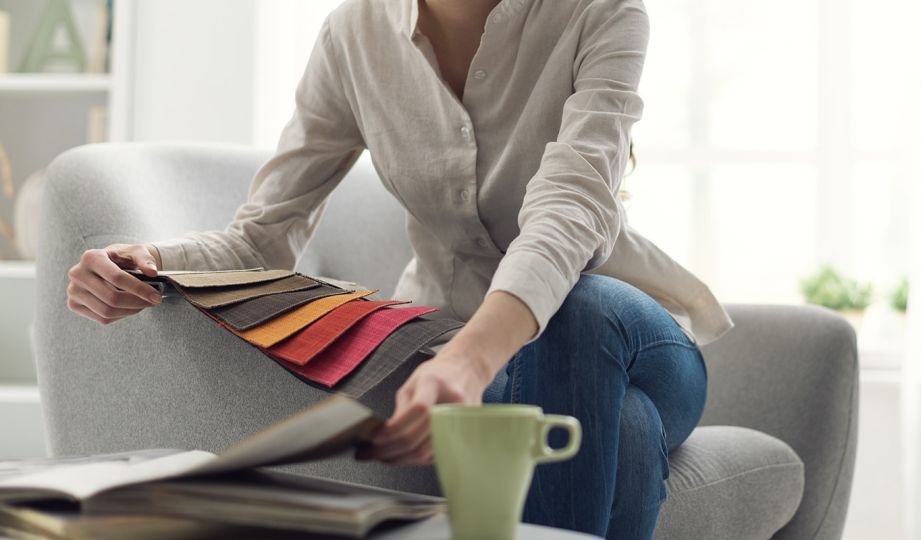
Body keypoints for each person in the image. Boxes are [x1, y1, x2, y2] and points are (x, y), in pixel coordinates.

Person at [64, 0, 732, 537]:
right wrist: (151, 263)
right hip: (484, 363)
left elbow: (568, 210)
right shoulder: (353, 34)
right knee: (624, 430)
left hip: (631, 338)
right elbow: (263, 237)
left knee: (577, 312)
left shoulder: (602, 11)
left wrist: (468, 359)